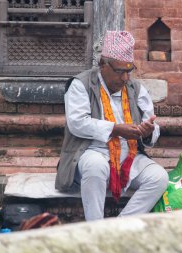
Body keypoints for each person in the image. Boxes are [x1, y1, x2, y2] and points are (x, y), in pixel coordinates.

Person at [55, 31, 168, 221]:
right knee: (95, 166)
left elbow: (152, 125)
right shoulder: (80, 84)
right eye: (119, 71)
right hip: (92, 151)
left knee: (159, 178)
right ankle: (96, 229)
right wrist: (115, 129)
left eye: (129, 71)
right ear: (102, 65)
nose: (125, 78)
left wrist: (147, 132)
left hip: (129, 155)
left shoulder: (136, 88)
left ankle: (118, 229)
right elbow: (77, 123)